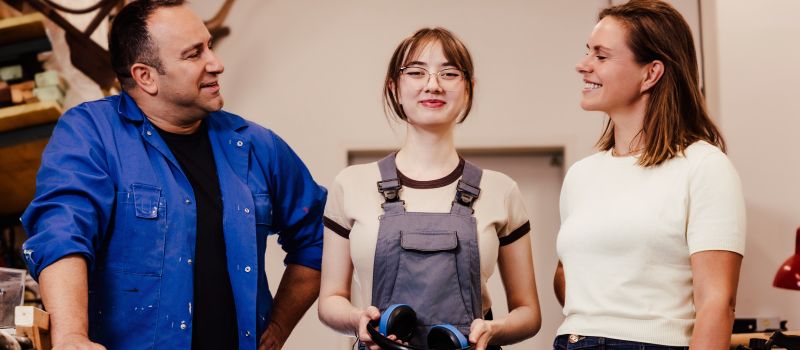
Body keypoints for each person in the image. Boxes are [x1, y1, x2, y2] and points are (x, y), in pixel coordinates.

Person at [20, 1, 326, 349]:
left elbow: (320, 237)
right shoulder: (91, 133)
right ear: (145, 76)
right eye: (194, 54)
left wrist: (279, 327)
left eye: (209, 46)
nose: (217, 63)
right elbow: (62, 233)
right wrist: (71, 336)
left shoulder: (257, 146)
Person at [318, 27, 541, 350]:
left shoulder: (502, 190)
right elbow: (330, 300)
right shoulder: (349, 185)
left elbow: (529, 313)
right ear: (394, 88)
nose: (433, 85)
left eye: (449, 73)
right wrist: (358, 320)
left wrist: (493, 329)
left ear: (468, 89)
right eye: (416, 72)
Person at [553, 0, 746, 349]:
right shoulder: (580, 175)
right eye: (588, 52)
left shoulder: (704, 167)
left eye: (601, 56)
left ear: (651, 73)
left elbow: (717, 304)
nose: (583, 65)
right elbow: (572, 277)